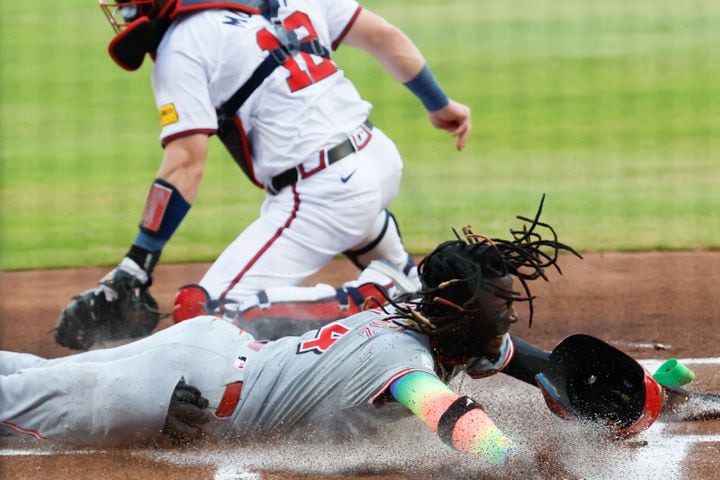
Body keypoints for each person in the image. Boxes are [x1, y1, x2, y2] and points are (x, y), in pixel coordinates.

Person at [4, 204, 709, 469]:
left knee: (32, 380)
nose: (510, 316)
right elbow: (453, 420)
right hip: (177, 391)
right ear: (460, 308)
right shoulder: (406, 360)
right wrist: (515, 461)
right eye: (499, 305)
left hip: (217, 360)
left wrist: (669, 390)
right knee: (24, 408)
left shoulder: (454, 333)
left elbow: (552, 369)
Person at [54, 0, 472, 350]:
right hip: (377, 158)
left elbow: (186, 162)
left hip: (323, 193)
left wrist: (136, 264)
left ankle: (372, 298)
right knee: (373, 239)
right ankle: (407, 279)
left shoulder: (184, 41)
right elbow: (386, 37)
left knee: (206, 317)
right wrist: (440, 105)